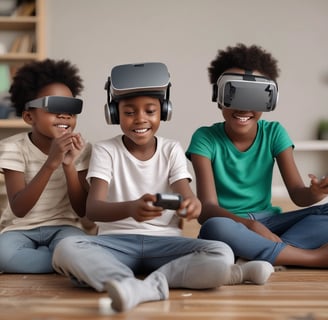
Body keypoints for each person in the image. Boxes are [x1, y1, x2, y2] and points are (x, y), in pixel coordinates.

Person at [52, 62, 274, 313]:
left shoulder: (172, 149)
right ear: (114, 114)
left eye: (150, 111)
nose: (140, 119)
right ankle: (231, 275)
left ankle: (141, 286)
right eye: (129, 112)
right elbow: (93, 209)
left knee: (220, 250)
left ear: (164, 111)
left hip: (165, 244)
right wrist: (131, 209)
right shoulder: (105, 150)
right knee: (66, 248)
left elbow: (189, 198)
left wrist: (192, 205)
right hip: (115, 243)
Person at [186, 43, 328, 268]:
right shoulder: (205, 139)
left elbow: (298, 196)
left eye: (254, 97)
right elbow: (207, 210)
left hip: (271, 223)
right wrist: (250, 227)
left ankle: (256, 253)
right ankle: (309, 258)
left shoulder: (274, 133)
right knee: (214, 228)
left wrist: (315, 192)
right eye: (235, 94)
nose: (244, 108)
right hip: (231, 224)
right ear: (218, 95)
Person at [0, 59, 95, 273]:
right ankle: (59, 262)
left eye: (71, 108)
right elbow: (19, 208)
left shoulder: (82, 150)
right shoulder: (13, 148)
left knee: (79, 246)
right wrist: (51, 163)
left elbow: (82, 210)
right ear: (28, 116)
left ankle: (55, 260)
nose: (64, 115)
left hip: (65, 226)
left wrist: (69, 164)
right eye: (54, 107)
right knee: (2, 256)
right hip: (20, 229)